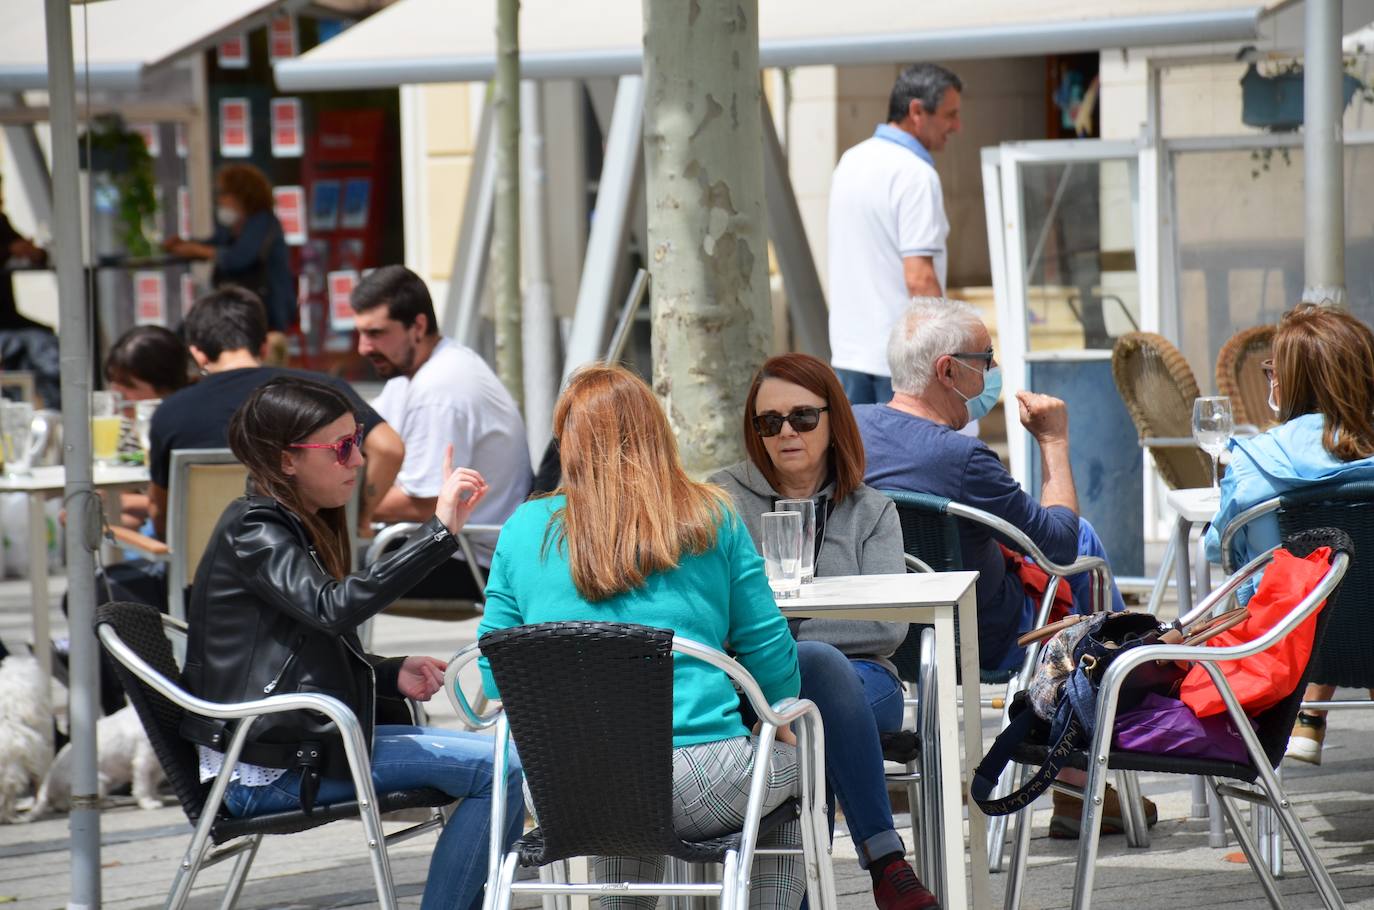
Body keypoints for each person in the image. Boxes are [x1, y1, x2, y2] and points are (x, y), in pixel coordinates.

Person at [182, 377, 521, 910]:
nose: (359, 460)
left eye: (357, 439)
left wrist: (386, 672)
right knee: (501, 769)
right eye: (342, 448)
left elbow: (301, 639)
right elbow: (332, 608)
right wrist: (440, 530)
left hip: (298, 745)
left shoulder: (284, 525)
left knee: (511, 757)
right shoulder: (254, 530)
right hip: (274, 768)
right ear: (287, 461)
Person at [479, 365, 805, 910]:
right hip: (703, 777)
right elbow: (768, 652)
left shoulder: (522, 528)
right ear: (657, 431)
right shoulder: (711, 515)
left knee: (618, 789)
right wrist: (782, 716)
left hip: (564, 787)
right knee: (795, 771)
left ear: (569, 443)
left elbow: (494, 670)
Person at [855, 298, 1139, 840]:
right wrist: (1054, 442)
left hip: (884, 633)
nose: (993, 372)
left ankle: (1082, 776)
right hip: (984, 636)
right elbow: (1056, 546)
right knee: (1084, 544)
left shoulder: (849, 432)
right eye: (985, 359)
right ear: (947, 371)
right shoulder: (962, 458)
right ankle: (1083, 776)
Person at [711, 353, 938, 910]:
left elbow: (886, 626)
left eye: (803, 417)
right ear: (755, 432)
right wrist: (788, 647)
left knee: (820, 676)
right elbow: (713, 619)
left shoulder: (871, 509)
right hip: (753, 687)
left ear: (833, 419)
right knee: (813, 714)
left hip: (863, 683)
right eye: (770, 422)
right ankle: (886, 864)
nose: (786, 432)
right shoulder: (721, 501)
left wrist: (784, 635)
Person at [1204, 303, 1374, 766]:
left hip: (1284, 647)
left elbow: (1221, 553)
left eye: (1271, 371)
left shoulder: (1252, 464)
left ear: (1289, 381)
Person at [147, 287, 403, 538]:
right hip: (311, 563)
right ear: (265, 346)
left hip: (206, 571)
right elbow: (388, 449)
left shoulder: (170, 412)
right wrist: (358, 520)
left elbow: (161, 518)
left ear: (198, 354)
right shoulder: (324, 390)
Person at [352, 265, 532, 600]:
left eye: (376, 333)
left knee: (324, 568)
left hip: (470, 561)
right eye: (360, 333)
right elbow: (363, 434)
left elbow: (423, 504)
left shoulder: (440, 389)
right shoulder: (421, 371)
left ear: (417, 326)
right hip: (449, 543)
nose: (363, 347)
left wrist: (338, 505)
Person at [827, 63, 962, 406]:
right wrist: (954, 352)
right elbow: (919, 278)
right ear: (917, 111)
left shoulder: (849, 161)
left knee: (855, 459)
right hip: (902, 362)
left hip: (848, 353)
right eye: (950, 115)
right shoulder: (916, 174)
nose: (956, 127)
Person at [164, 163, 296, 338]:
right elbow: (215, 243)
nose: (220, 201)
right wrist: (186, 245)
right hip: (236, 305)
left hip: (264, 309)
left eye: (224, 194)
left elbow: (239, 258)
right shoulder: (234, 225)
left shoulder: (262, 222)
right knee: (188, 329)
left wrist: (200, 250)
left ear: (242, 195)